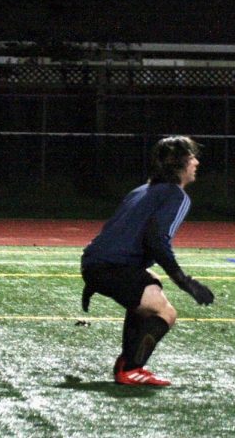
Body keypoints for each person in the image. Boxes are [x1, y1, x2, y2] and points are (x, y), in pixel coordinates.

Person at [80, 135, 214, 386]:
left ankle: (127, 363)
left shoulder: (142, 190)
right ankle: (131, 369)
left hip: (95, 263)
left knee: (151, 286)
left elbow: (114, 231)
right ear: (180, 162)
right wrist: (185, 281)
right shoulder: (176, 196)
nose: (196, 161)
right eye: (192, 156)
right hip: (111, 267)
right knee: (165, 312)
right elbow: (156, 240)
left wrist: (94, 276)